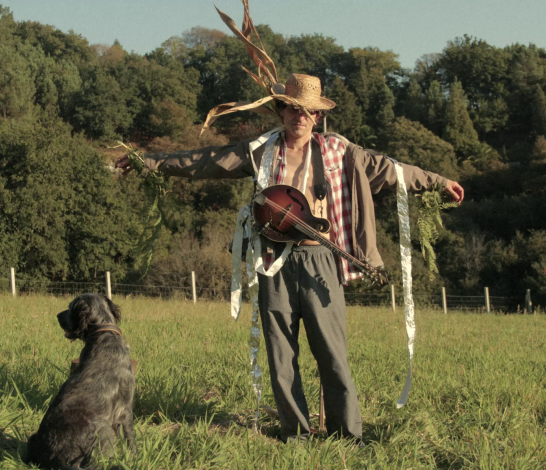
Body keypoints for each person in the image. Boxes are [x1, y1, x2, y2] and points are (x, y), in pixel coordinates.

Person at [117, 73, 464, 444]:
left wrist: (438, 181)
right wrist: (147, 162)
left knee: (332, 352)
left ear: (317, 116)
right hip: (273, 260)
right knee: (281, 353)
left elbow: (391, 170)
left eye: (307, 111)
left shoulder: (340, 151)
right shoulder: (261, 151)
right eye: (292, 108)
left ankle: (346, 435)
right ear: (281, 110)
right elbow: (204, 160)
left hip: (321, 260)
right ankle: (295, 433)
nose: (299, 116)